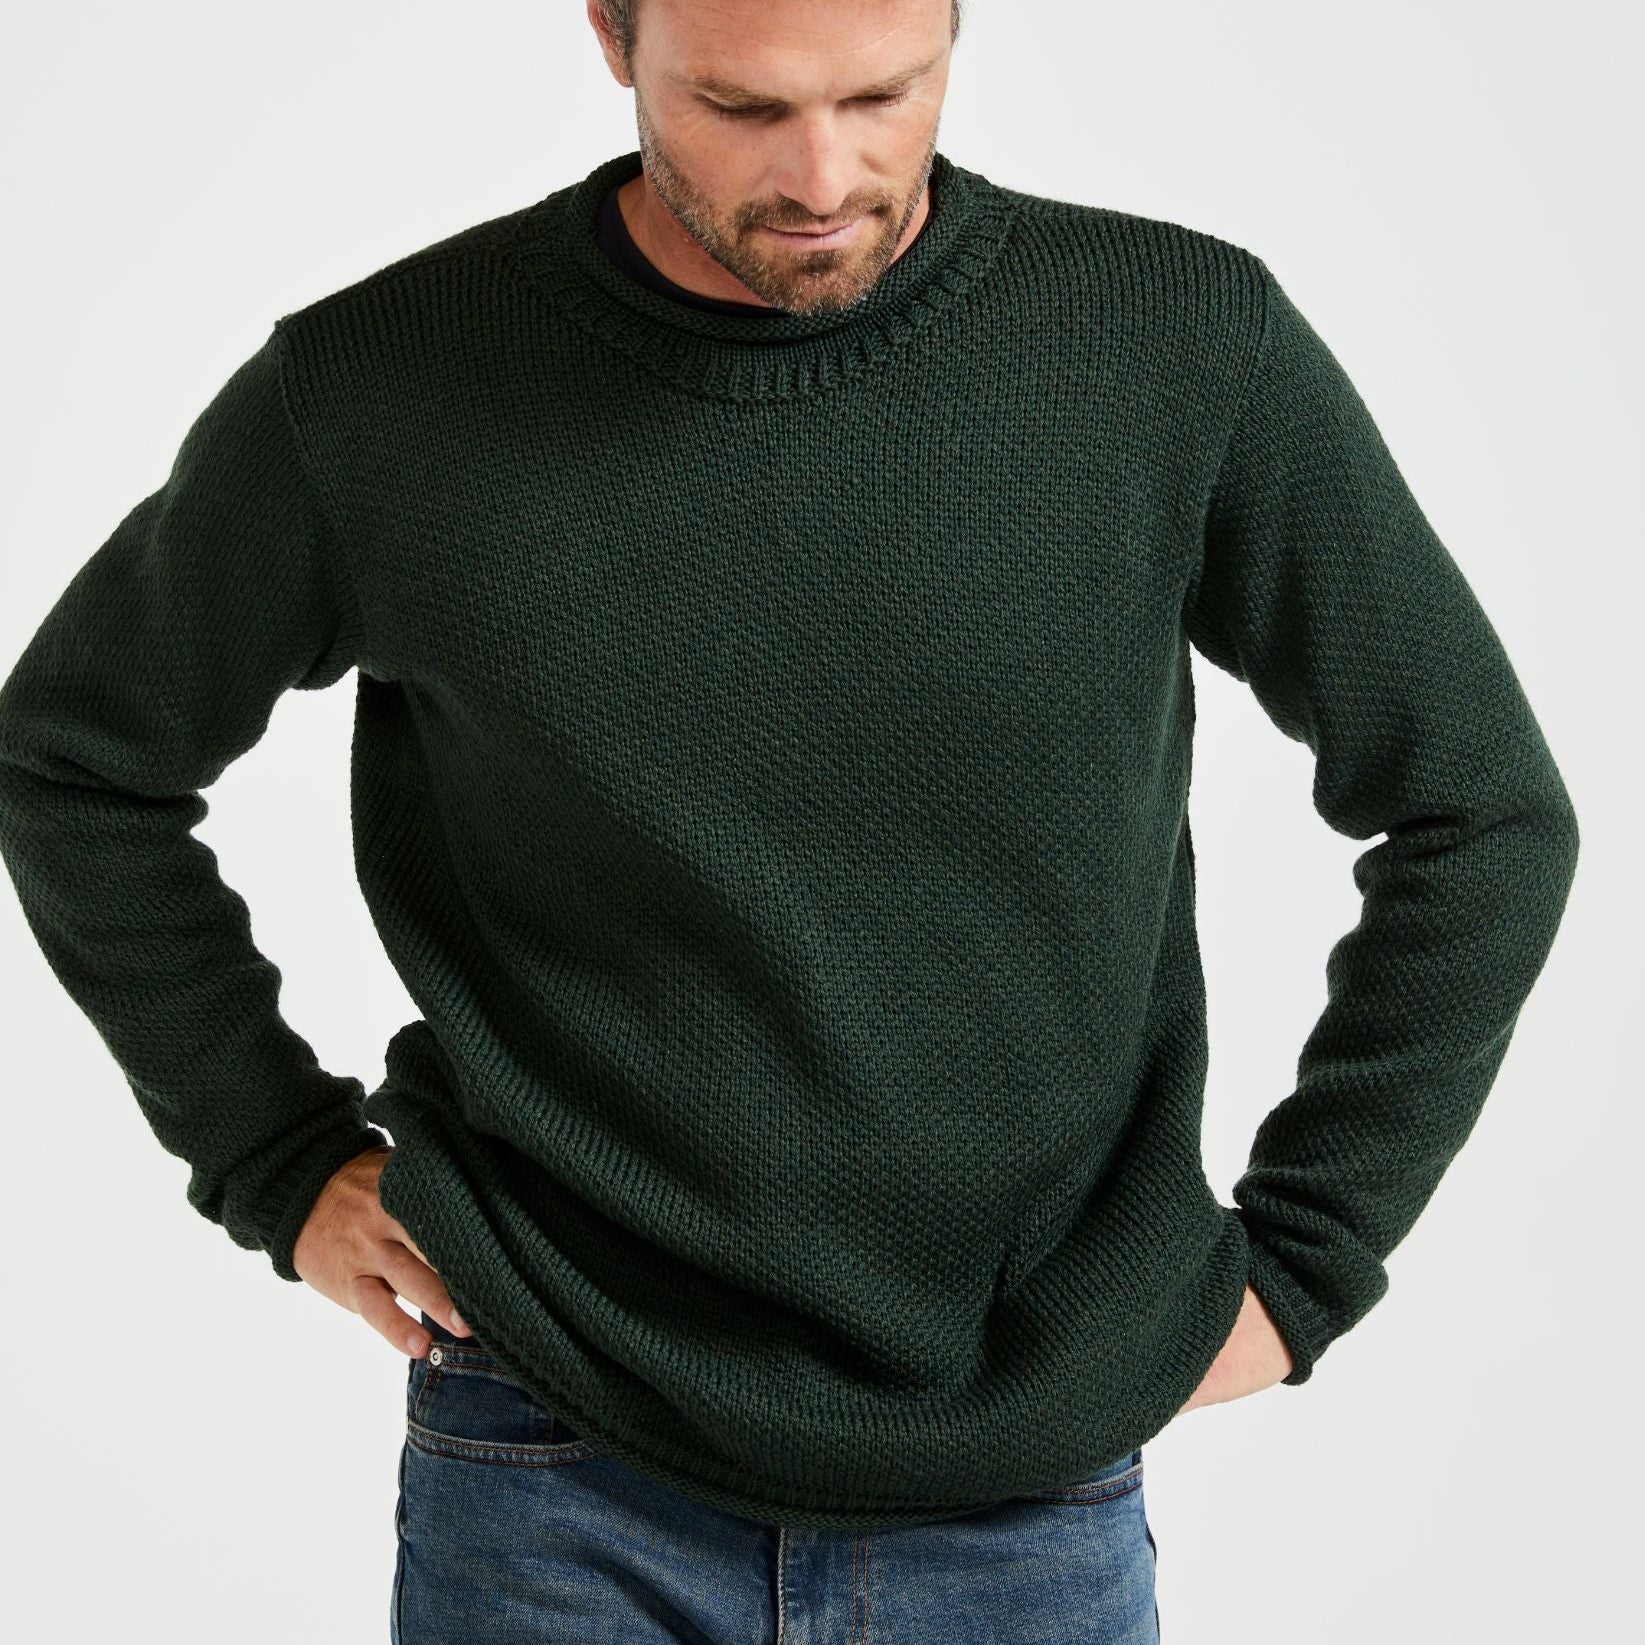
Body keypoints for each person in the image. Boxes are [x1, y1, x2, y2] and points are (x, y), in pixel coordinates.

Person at [0, 0, 1580, 1639]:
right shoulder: (379, 388)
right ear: (612, 35)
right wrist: (275, 1156)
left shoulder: (1175, 343)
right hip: (550, 1446)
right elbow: (77, 762)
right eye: (741, 107)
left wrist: (1308, 1260)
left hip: (1027, 1458)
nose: (823, 176)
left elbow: (1479, 811)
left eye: (883, 93)